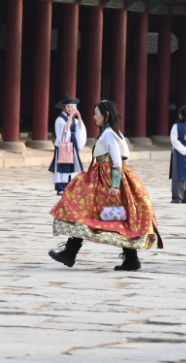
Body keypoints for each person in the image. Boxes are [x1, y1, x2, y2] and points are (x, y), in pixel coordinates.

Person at [48, 100, 162, 271]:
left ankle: (70, 252)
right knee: (109, 216)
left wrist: (114, 184)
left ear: (106, 114)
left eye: (96, 113)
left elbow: (117, 161)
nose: (94, 117)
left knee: (88, 212)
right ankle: (130, 259)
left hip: (106, 178)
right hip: (106, 176)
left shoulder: (109, 134)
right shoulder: (114, 133)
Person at [48, 93, 87, 195]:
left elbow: (80, 128)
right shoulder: (60, 119)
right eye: (68, 107)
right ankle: (60, 187)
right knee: (62, 164)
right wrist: (70, 117)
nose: (70, 108)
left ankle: (70, 186)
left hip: (72, 142)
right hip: (63, 145)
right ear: (63, 107)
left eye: (71, 106)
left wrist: (79, 116)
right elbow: (65, 130)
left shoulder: (73, 119)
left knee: (71, 165)